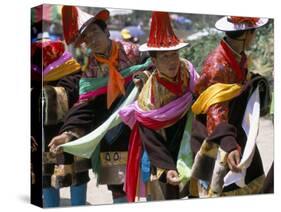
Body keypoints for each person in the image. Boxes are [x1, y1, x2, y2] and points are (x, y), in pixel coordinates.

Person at [49, 6, 150, 203]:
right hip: (112, 133)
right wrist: (68, 132)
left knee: (151, 175)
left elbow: (152, 69)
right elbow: (84, 105)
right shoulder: (90, 70)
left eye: (94, 31)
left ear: (106, 31)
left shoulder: (133, 52)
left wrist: (144, 76)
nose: (91, 39)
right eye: (86, 37)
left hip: (141, 126)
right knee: (117, 187)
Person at [119, 11, 199, 202]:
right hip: (163, 149)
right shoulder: (149, 96)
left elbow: (200, 97)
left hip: (190, 140)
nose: (172, 62)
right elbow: (150, 136)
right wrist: (167, 166)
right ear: (154, 61)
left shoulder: (187, 69)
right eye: (165, 57)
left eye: (175, 55)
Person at [190, 16, 271, 197]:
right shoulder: (217, 64)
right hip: (218, 135)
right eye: (254, 33)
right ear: (246, 35)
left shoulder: (237, 56)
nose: (255, 37)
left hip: (235, 131)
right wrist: (229, 144)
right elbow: (215, 110)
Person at [31, 38, 90, 207]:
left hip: (71, 135)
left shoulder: (71, 74)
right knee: (47, 177)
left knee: (77, 175)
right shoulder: (41, 76)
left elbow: (66, 95)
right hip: (46, 140)